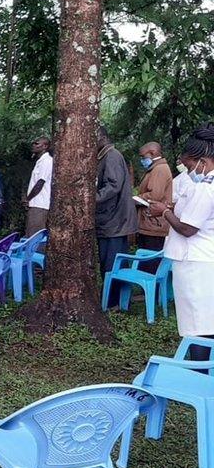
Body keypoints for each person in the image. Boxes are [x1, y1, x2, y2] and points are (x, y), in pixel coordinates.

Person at [148, 126, 214, 360]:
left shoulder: (206, 188)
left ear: (202, 162)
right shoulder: (204, 185)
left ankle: (200, 374)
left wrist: (164, 212)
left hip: (196, 261)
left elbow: (188, 228)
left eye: (188, 166)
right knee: (205, 321)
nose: (187, 171)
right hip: (201, 259)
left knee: (199, 326)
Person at [96, 127, 138, 308]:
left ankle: (113, 301)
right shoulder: (105, 155)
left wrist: (92, 199)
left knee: (112, 263)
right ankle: (118, 299)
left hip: (114, 220)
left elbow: (113, 185)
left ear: (102, 137)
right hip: (112, 220)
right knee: (113, 261)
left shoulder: (111, 156)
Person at [134, 141, 172, 273]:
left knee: (151, 266)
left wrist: (136, 199)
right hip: (149, 224)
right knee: (146, 265)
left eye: (143, 157)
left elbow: (154, 195)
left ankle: (153, 293)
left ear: (153, 153)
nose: (142, 160)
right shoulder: (155, 168)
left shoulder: (160, 169)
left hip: (154, 224)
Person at [25, 136, 54, 236]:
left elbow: (40, 183)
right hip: (35, 204)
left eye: (37, 143)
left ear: (45, 146)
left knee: (35, 236)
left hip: (40, 205)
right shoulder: (40, 161)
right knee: (30, 233)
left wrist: (28, 198)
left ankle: (38, 252)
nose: (33, 145)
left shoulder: (47, 161)